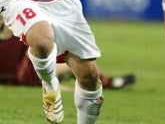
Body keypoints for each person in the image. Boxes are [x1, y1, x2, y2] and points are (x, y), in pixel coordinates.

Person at [0, 17, 136, 89]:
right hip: (21, 71)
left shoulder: (15, 6)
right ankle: (109, 83)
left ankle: (108, 83)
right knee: (69, 66)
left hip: (21, 67)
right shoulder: (14, 4)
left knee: (71, 65)